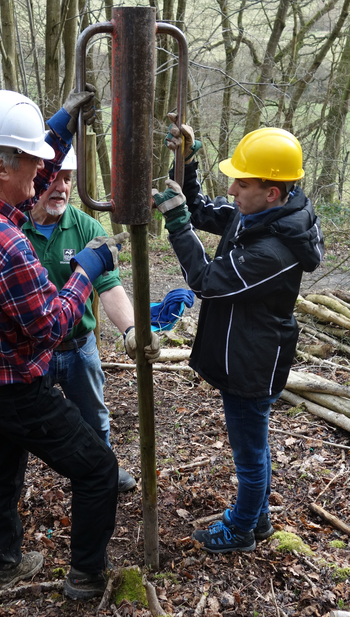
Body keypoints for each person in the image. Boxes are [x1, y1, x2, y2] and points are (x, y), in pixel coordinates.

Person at [0, 88, 129, 601]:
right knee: (98, 470)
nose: (43, 170)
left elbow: (14, 171)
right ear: (1, 166)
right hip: (15, 389)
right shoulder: (9, 247)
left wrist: (57, 126)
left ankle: (5, 563)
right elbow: (51, 326)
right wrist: (87, 269)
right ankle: (87, 577)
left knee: (0, 460)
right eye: (34, 160)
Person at [154, 123, 324, 553]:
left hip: (253, 363)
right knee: (255, 446)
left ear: (272, 191)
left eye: (242, 182)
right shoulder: (261, 218)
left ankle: (243, 528)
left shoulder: (275, 251)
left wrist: (176, 226)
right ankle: (260, 518)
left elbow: (207, 281)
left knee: (249, 457)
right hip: (244, 353)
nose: (231, 189)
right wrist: (187, 164)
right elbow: (203, 211)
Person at [23, 146, 160, 492]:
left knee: (94, 417)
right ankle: (13, 483)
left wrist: (133, 330)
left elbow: (108, 285)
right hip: (30, 352)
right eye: (55, 178)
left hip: (78, 347)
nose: (63, 188)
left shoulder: (85, 225)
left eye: (68, 179)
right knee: (20, 422)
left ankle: (103, 471)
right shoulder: (13, 224)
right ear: (36, 178)